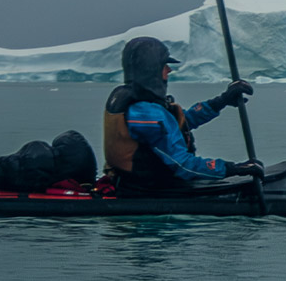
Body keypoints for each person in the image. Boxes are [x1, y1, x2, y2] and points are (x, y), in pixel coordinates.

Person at [101, 36, 261, 190]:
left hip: (137, 183)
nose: (169, 70)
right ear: (151, 69)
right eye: (164, 65)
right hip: (150, 188)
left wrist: (221, 101)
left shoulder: (141, 105)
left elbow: (182, 122)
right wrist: (233, 169)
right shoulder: (146, 114)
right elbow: (182, 165)